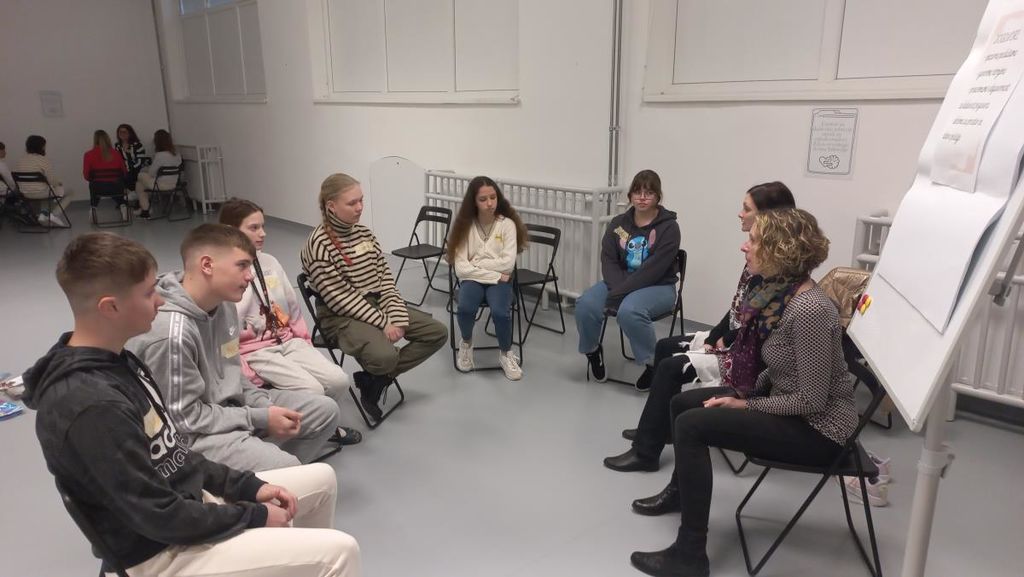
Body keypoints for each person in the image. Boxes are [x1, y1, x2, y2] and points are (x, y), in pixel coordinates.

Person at [22, 232, 361, 577]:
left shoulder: (121, 362)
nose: (160, 301)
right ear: (111, 307)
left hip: (185, 503)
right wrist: (254, 515)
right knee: (340, 552)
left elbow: (174, 452)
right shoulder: (90, 406)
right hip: (158, 552)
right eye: (149, 293)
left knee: (322, 479)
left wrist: (247, 486)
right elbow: (158, 517)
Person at [629, 208, 858, 577]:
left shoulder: (810, 309)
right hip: (792, 408)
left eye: (753, 241)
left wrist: (747, 404)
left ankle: (690, 556)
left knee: (691, 426)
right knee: (682, 402)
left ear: (779, 250)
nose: (744, 246)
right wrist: (745, 391)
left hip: (820, 431)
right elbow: (783, 368)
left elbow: (812, 400)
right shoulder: (784, 294)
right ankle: (681, 494)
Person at [605, 182, 795, 472]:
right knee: (664, 347)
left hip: (748, 354)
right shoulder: (761, 252)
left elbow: (761, 325)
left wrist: (725, 339)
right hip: (736, 336)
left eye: (746, 208)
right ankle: (658, 428)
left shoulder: (776, 266)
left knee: (670, 367)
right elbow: (740, 307)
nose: (740, 213)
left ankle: (646, 452)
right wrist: (718, 333)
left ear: (767, 216)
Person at [128, 224, 342, 472]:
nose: (250, 276)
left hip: (230, 410)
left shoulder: (224, 304)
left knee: (325, 411)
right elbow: (185, 420)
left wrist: (264, 407)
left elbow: (233, 371)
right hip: (195, 435)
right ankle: (274, 476)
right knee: (290, 468)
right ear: (207, 265)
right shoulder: (170, 333)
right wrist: (258, 418)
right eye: (242, 265)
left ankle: (265, 478)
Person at [301, 173, 447, 421]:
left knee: (437, 333)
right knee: (385, 356)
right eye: (352, 203)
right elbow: (341, 299)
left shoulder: (364, 234)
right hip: (339, 315)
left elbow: (385, 280)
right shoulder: (318, 245)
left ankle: (376, 379)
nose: (360, 208)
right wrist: (384, 323)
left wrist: (396, 315)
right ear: (331, 206)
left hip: (376, 303)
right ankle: (381, 373)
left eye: (361, 200)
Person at [219, 198, 362, 446]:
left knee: (339, 380)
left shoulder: (270, 262)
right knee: (313, 389)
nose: (263, 233)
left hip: (286, 340)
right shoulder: (224, 273)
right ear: (231, 231)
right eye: (254, 228)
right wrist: (242, 369)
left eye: (263, 226)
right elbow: (223, 335)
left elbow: (292, 307)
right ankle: (309, 428)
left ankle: (322, 424)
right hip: (255, 351)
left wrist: (303, 341)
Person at [575, 169, 681, 382]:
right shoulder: (618, 223)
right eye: (637, 192)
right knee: (585, 304)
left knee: (630, 311)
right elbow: (608, 259)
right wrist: (619, 289)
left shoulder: (669, 227)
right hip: (619, 282)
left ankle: (654, 364)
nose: (642, 198)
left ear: (658, 197)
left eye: (648, 193)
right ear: (630, 195)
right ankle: (593, 351)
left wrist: (621, 293)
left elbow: (654, 270)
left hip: (658, 286)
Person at [447, 176, 528, 380]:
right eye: (483, 199)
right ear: (473, 201)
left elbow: (508, 264)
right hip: (483, 279)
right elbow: (461, 269)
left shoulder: (507, 225)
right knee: (465, 308)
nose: (490, 203)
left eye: (493, 197)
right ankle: (466, 343)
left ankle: (506, 353)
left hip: (499, 282)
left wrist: (476, 263)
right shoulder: (465, 226)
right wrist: (495, 273)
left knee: (500, 312)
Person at [13, 134, 67, 226]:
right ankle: (52, 214)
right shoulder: (43, 160)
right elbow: (51, 180)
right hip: (42, 193)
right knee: (67, 191)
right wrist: (59, 183)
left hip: (25, 193)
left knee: (48, 188)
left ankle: (44, 214)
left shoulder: (20, 160)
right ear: (41, 147)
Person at [135, 129, 182, 219]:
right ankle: (144, 210)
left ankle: (146, 210)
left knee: (140, 175)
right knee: (139, 184)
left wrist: (145, 169)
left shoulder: (160, 155)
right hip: (173, 184)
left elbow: (151, 173)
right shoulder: (177, 154)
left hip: (160, 185)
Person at [83, 129, 128, 222]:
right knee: (117, 186)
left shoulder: (88, 155)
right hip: (116, 187)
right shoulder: (116, 153)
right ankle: (123, 206)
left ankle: (93, 208)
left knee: (93, 185)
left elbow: (86, 175)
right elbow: (124, 172)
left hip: (98, 188)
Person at [115, 123, 149, 191]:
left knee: (128, 176)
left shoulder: (137, 145)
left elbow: (140, 162)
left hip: (136, 170)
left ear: (130, 133)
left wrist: (129, 169)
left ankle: (133, 192)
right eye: (120, 132)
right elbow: (117, 160)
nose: (122, 134)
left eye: (125, 132)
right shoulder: (117, 146)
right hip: (123, 171)